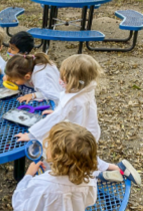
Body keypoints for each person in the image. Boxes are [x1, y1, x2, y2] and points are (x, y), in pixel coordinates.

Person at [16, 54, 141, 186]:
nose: (60, 81)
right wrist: (61, 112)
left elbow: (52, 120)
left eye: (64, 78)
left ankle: (81, 176)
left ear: (74, 80)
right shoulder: (86, 87)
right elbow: (71, 110)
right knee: (86, 157)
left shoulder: (72, 100)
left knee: (70, 159)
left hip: (76, 137)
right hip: (89, 131)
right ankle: (117, 169)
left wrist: (31, 135)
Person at [12, 122, 98, 211]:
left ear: (56, 156)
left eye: (49, 144)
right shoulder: (88, 181)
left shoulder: (42, 185)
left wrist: (28, 175)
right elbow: (90, 200)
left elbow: (19, 204)